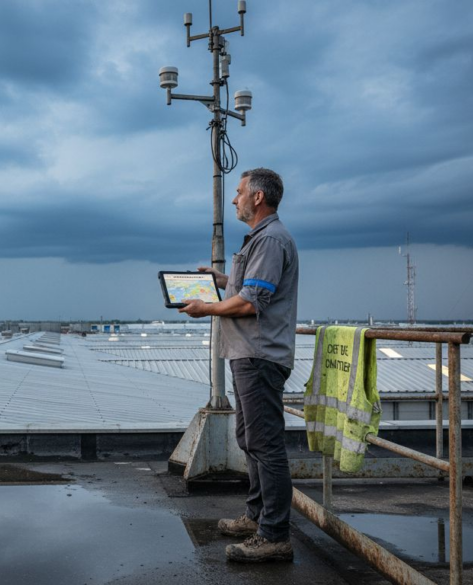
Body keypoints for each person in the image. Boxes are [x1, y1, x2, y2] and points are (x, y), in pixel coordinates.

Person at [178, 167, 299, 563]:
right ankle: (257, 516)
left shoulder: (270, 240)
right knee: (250, 441)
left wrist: (207, 307)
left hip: (259, 356)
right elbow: (249, 285)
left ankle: (275, 535)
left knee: (266, 446)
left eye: (240, 192)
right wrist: (220, 278)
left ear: (258, 197)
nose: (234, 199)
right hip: (248, 354)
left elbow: (251, 301)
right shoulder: (263, 240)